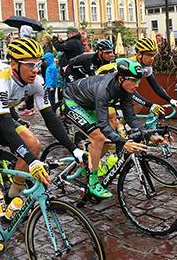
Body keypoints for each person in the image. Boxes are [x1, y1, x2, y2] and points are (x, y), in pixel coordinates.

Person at [0, 38, 87, 258]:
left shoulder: (35, 82)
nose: (35, 69)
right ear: (14, 63)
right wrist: (32, 162)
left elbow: (50, 118)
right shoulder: (0, 84)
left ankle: (11, 198)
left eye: (37, 64)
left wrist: (74, 149)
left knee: (34, 143)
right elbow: (7, 127)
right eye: (29, 64)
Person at [62, 58, 164, 198]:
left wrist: (149, 135)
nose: (137, 85)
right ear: (121, 78)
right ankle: (93, 182)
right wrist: (123, 142)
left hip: (89, 103)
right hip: (72, 100)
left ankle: (92, 161)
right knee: (98, 137)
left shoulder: (125, 89)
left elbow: (131, 119)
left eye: (138, 81)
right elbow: (103, 126)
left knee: (110, 133)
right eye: (133, 81)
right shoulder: (104, 89)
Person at [96, 38, 177, 114]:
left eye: (154, 55)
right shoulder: (131, 66)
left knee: (137, 106)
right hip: (102, 82)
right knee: (112, 116)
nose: (152, 58)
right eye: (149, 55)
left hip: (117, 87)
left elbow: (155, 86)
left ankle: (124, 127)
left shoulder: (147, 67)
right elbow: (130, 92)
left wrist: (171, 100)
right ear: (139, 54)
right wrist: (150, 105)